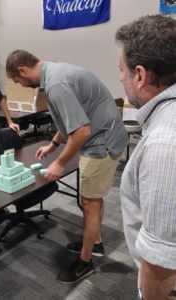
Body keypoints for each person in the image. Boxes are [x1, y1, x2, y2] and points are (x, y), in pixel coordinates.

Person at [6, 50, 128, 284]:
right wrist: (53, 145)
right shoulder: (55, 73)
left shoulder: (56, 84)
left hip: (101, 143)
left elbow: (81, 131)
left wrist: (59, 163)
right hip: (107, 137)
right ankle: (95, 244)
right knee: (93, 199)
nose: (20, 85)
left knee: (89, 203)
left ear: (22, 70)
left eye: (17, 81)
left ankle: (85, 263)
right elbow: (71, 119)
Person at [115, 15, 176, 300]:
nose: (120, 78)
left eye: (122, 70)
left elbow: (161, 263)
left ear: (139, 75)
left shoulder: (164, 143)